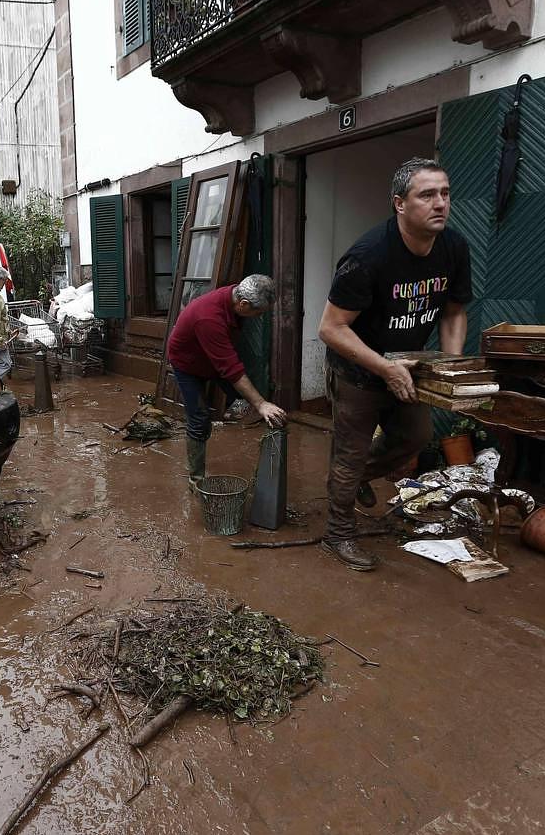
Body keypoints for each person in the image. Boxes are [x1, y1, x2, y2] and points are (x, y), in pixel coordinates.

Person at [316, 157, 472, 571]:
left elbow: (455, 310)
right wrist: (383, 368)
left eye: (445, 193)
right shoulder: (367, 256)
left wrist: (449, 366)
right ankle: (338, 532)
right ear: (400, 204)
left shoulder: (454, 247)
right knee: (349, 454)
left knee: (415, 437)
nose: (440, 203)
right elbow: (331, 328)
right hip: (357, 370)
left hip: (410, 367)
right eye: (427, 195)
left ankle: (350, 482)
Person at [166, 274, 287, 488]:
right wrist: (261, 403)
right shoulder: (209, 318)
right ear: (243, 304)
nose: (259, 317)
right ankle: (197, 481)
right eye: (258, 312)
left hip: (212, 357)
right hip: (188, 364)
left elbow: (229, 365)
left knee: (240, 398)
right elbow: (231, 369)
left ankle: (230, 412)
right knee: (199, 419)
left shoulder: (234, 297)